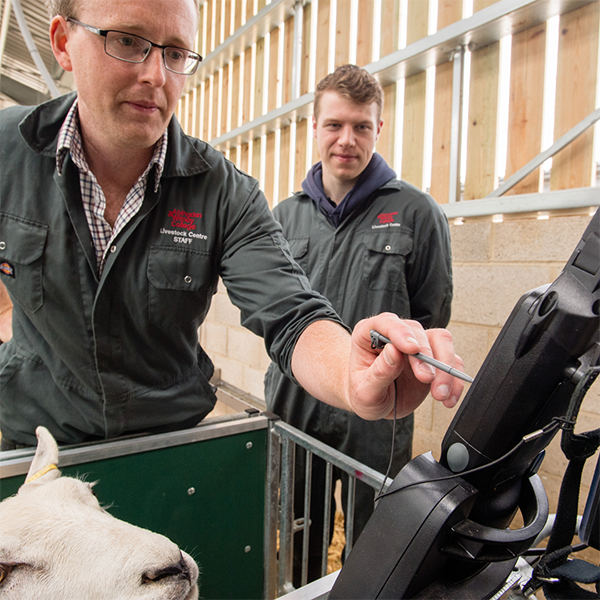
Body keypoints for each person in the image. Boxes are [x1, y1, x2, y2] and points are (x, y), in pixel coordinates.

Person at [0, 0, 463, 451]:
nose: (156, 76)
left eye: (176, 53)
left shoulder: (223, 191)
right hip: (35, 446)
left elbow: (292, 312)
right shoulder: (7, 154)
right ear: (63, 42)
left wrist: (351, 375)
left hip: (168, 451)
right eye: (126, 40)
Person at [264, 64, 453, 585]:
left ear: (378, 129)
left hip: (378, 412)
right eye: (334, 124)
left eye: (361, 127)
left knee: (375, 533)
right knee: (300, 525)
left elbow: (431, 316)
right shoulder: (282, 218)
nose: (347, 140)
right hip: (297, 398)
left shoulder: (416, 214)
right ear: (316, 127)